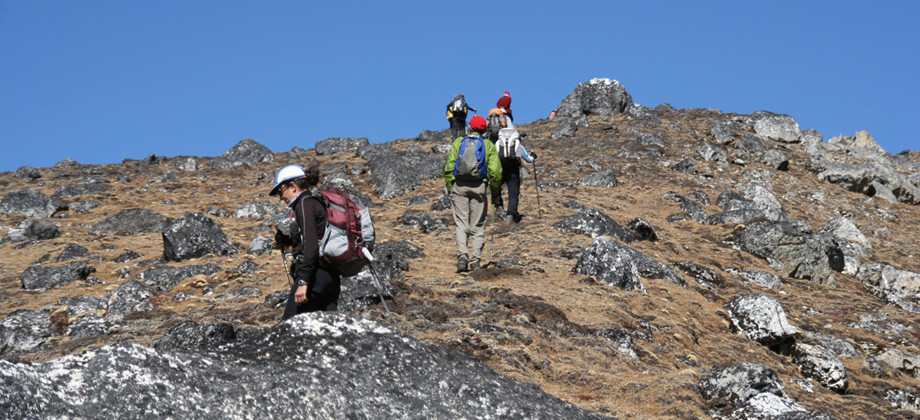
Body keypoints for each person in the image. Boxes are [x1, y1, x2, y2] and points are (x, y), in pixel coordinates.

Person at [270, 163, 341, 318]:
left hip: (314, 277)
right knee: (328, 332)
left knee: (289, 327)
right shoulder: (315, 203)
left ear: (293, 186)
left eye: (281, 191)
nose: (281, 197)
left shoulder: (303, 205)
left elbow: (311, 245)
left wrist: (303, 282)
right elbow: (312, 238)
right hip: (330, 277)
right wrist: (285, 241)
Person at [443, 115, 502, 272]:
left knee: (462, 224)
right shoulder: (488, 145)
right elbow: (496, 172)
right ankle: (475, 261)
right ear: (484, 130)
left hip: (459, 186)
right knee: (477, 225)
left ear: (469, 127)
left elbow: (449, 167)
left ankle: (462, 258)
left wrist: (451, 187)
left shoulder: (458, 142)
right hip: (479, 188)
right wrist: (495, 193)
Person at [494, 136, 536, 224]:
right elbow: (528, 159)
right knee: (513, 193)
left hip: (500, 170)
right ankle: (511, 214)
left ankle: (499, 207)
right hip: (513, 171)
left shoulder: (498, 144)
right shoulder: (518, 145)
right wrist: (533, 156)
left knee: (496, 189)